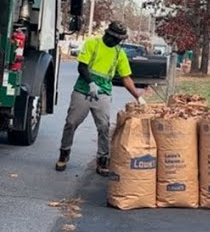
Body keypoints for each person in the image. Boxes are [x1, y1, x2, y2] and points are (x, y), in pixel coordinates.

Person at [55, 21, 147, 176]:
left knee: (103, 127)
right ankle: (64, 153)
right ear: (108, 34)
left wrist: (137, 95)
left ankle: (102, 160)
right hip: (83, 90)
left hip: (103, 93)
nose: (117, 42)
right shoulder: (93, 44)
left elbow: (126, 77)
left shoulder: (119, 53)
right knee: (71, 122)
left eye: (119, 40)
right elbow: (82, 67)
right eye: (115, 38)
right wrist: (91, 83)